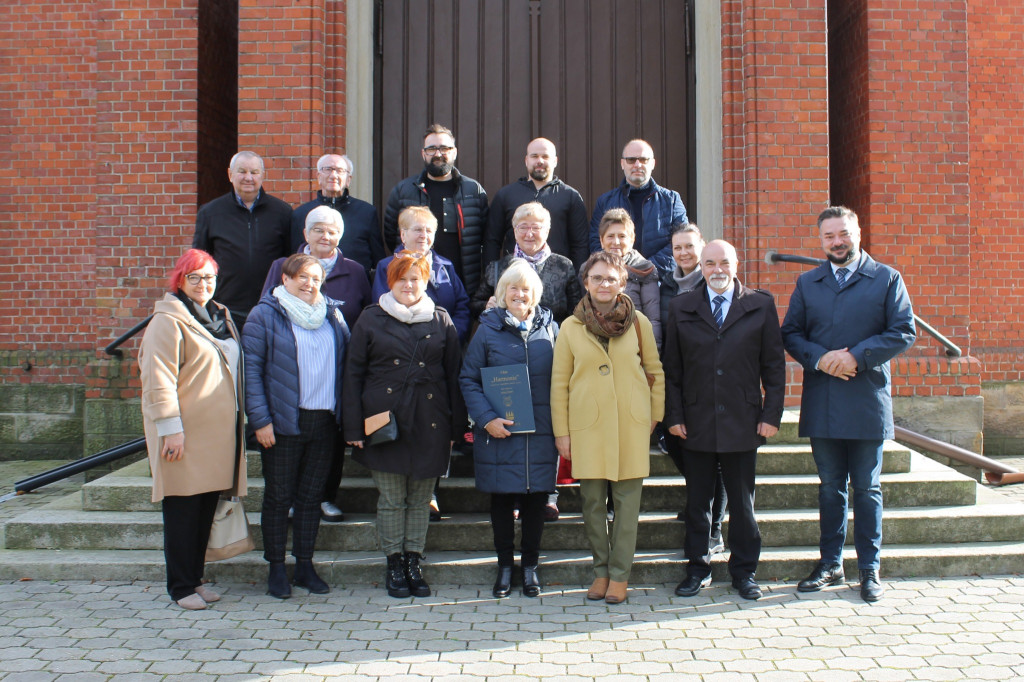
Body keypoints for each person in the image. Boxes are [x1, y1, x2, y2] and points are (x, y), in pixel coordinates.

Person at [781, 206, 916, 603]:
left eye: (843, 234)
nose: (836, 242)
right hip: (822, 399)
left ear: (857, 233)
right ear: (820, 239)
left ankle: (869, 569)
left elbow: (903, 330)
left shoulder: (886, 279)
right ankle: (830, 563)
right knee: (829, 490)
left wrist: (857, 355)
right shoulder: (809, 283)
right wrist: (821, 358)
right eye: (828, 236)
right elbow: (790, 332)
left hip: (866, 400)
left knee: (867, 489)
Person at [664, 240, 786, 601]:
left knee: (742, 504)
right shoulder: (681, 306)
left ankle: (744, 572)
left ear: (736, 265)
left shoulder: (759, 305)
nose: (717, 270)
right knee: (698, 502)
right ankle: (697, 568)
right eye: (709, 263)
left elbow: (774, 367)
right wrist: (673, 415)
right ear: (700, 267)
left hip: (743, 420)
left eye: (724, 263)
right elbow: (672, 369)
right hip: (696, 420)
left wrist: (771, 415)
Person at [343, 250, 467, 599]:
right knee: (393, 498)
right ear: (390, 280)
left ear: (425, 281)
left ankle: (414, 560)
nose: (409, 285)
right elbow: (352, 375)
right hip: (385, 422)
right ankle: (394, 562)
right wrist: (353, 429)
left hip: (431, 420)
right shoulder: (370, 318)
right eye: (402, 278)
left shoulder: (440, 319)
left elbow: (453, 376)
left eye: (416, 278)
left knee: (420, 498)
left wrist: (456, 429)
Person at [550, 251, 665, 605]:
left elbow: (655, 372)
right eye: (597, 278)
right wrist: (562, 432)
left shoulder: (639, 323)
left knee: (628, 507)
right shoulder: (570, 327)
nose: (604, 284)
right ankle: (600, 572)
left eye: (611, 278)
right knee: (592, 505)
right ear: (586, 282)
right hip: (587, 427)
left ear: (623, 283)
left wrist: (652, 417)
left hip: (631, 426)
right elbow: (559, 383)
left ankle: (620, 576)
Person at [139, 249, 246, 610]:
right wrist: (170, 429)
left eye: (210, 278)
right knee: (183, 509)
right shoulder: (168, 321)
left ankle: (196, 578)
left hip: (218, 434)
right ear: (180, 281)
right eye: (195, 278)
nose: (203, 284)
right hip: (184, 433)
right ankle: (180, 586)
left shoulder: (219, 317)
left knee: (204, 509)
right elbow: (158, 380)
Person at [243, 254, 350, 599]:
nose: (309, 284)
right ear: (285, 279)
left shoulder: (332, 315)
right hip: (283, 422)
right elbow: (252, 373)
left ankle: (304, 564)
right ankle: (276, 567)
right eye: (302, 277)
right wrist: (260, 420)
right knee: (278, 498)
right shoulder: (266, 315)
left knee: (309, 498)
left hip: (324, 422)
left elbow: (347, 364)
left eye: (316, 279)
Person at [263, 205, 371, 524]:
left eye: (332, 231)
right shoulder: (281, 267)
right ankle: (294, 499)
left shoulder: (354, 270)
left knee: (330, 437)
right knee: (294, 437)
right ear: (305, 233)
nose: (326, 236)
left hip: (337, 368)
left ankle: (325, 496)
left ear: (341, 235)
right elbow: (267, 308)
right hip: (292, 369)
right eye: (319, 229)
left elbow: (365, 313)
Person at [460, 260, 559, 598]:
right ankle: (504, 567)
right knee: (502, 501)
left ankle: (529, 566)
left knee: (536, 501)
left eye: (526, 289)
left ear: (535, 295)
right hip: (499, 431)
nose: (519, 294)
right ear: (502, 293)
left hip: (542, 431)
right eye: (513, 288)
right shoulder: (487, 329)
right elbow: (468, 379)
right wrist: (486, 418)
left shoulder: (552, 328)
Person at [660, 223, 728, 547]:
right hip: (676, 379)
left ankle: (713, 527)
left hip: (711, 381)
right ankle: (699, 502)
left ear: (702, 247)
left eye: (689, 246)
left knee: (716, 455)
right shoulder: (665, 285)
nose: (684, 253)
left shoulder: (715, 282)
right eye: (678, 248)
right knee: (674, 441)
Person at [383, 124, 488, 295]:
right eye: (431, 149)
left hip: (462, 282)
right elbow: (391, 233)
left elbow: (484, 235)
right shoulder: (403, 191)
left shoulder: (473, 191)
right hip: (413, 281)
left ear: (454, 152)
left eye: (444, 148)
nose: (438, 154)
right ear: (423, 153)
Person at [193, 150, 292, 327]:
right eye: (242, 171)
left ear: (262, 176)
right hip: (224, 309)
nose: (248, 177)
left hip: (271, 308)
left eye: (254, 172)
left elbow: (291, 261)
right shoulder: (210, 213)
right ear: (230, 174)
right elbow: (198, 262)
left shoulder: (282, 213)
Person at [482, 137, 590, 270]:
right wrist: (492, 277)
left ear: (555, 161)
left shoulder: (570, 197)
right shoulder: (505, 195)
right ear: (526, 160)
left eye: (545, 156)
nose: (540, 161)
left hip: (558, 281)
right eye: (534, 156)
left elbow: (580, 244)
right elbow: (492, 241)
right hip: (515, 279)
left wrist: (578, 281)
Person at [589, 139, 687, 279]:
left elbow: (681, 241)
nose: (637, 165)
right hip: (615, 281)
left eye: (643, 159)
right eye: (631, 160)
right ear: (622, 164)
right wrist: (619, 270)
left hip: (661, 281)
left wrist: (645, 269)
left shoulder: (672, 200)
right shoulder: (605, 202)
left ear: (653, 163)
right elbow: (596, 242)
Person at [373, 206, 472, 344]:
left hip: (445, 347)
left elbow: (462, 306)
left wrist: (452, 336)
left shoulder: (446, 266)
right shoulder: (387, 267)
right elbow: (382, 311)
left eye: (429, 231)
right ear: (403, 234)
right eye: (418, 230)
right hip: (403, 349)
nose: (424, 236)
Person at [472, 202, 583, 324]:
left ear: (547, 231)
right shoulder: (498, 268)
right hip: (507, 340)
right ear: (515, 232)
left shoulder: (564, 267)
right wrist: (486, 306)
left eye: (536, 228)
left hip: (552, 340)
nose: (529, 234)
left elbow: (576, 312)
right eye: (523, 227)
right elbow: (475, 306)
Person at [291, 153, 385, 279]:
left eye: (340, 171)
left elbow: (378, 259)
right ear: (318, 176)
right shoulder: (301, 213)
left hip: (354, 285)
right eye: (328, 169)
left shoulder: (366, 212)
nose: (333, 175)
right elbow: (293, 257)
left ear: (348, 179)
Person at [596, 208, 661, 348]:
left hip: (634, 348)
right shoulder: (589, 271)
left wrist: (652, 357)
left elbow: (653, 320)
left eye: (622, 236)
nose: (616, 242)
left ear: (632, 239)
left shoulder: (645, 269)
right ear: (601, 241)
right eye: (610, 236)